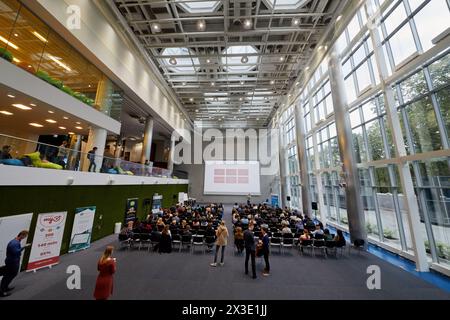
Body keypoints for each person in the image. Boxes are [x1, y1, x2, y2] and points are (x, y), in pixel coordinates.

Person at [0, 230, 30, 297]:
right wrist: (24, 247)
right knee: (8, 276)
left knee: (11, 274)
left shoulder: (16, 241)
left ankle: (5, 287)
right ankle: (1, 291)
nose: (25, 237)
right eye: (25, 236)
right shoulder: (14, 243)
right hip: (12, 262)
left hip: (13, 261)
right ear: (22, 235)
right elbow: (16, 252)